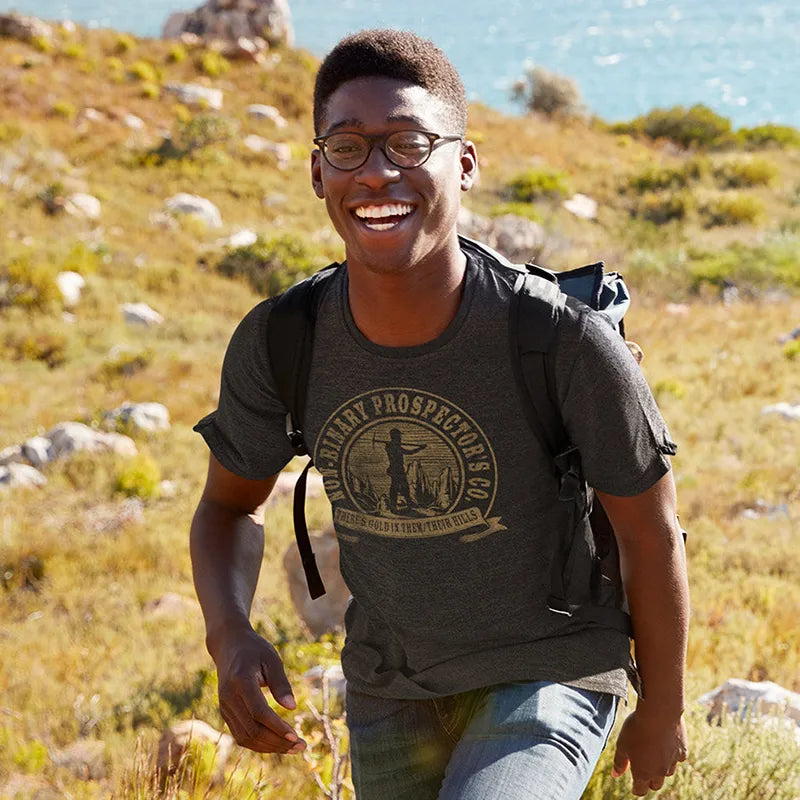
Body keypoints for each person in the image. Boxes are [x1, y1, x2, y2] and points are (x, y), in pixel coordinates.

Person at [190, 29, 689, 800]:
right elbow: (228, 507)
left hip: (551, 668)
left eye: (409, 143)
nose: (377, 171)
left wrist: (664, 708)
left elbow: (649, 532)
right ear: (319, 171)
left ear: (465, 163)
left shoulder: (561, 339)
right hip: (389, 687)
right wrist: (231, 636)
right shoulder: (285, 338)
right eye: (348, 147)